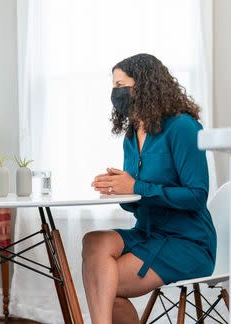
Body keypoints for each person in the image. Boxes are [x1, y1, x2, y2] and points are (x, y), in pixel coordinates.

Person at [82, 54, 216, 324]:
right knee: (94, 241)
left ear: (144, 85)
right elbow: (137, 201)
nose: (115, 93)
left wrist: (136, 186)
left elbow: (197, 195)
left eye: (121, 84)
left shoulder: (182, 127)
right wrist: (121, 190)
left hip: (187, 241)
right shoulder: (132, 136)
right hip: (148, 233)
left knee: (104, 285)